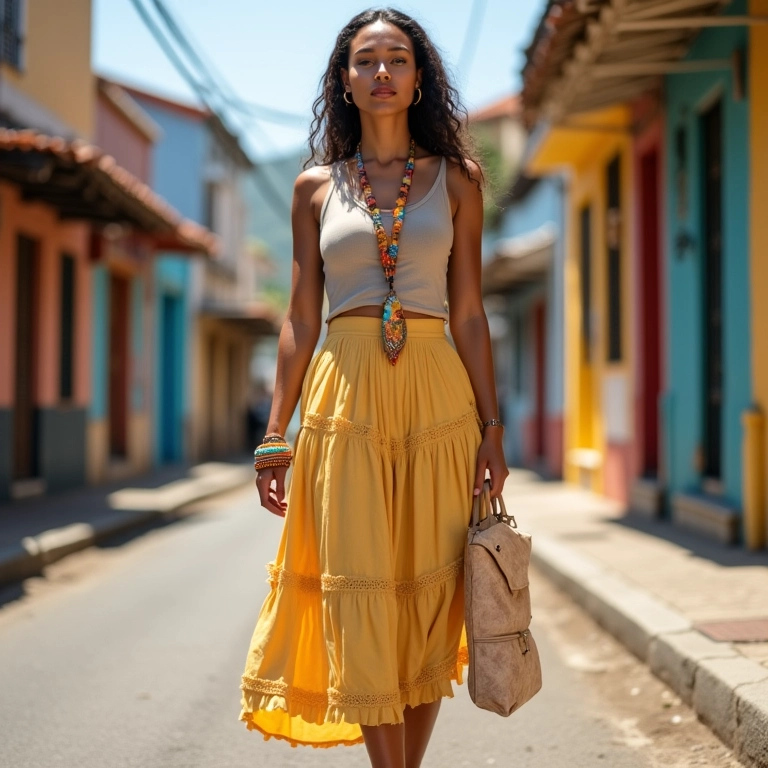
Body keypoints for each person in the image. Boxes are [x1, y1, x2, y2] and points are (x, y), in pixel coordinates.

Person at [240, 8, 508, 768]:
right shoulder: (314, 189)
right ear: (346, 82)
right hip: (343, 394)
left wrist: (493, 428)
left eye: (397, 59)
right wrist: (273, 433)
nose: (382, 72)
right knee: (356, 595)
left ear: (420, 77)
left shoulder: (458, 181)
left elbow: (469, 313)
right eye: (366, 61)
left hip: (438, 400)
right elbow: (299, 319)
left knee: (426, 602)